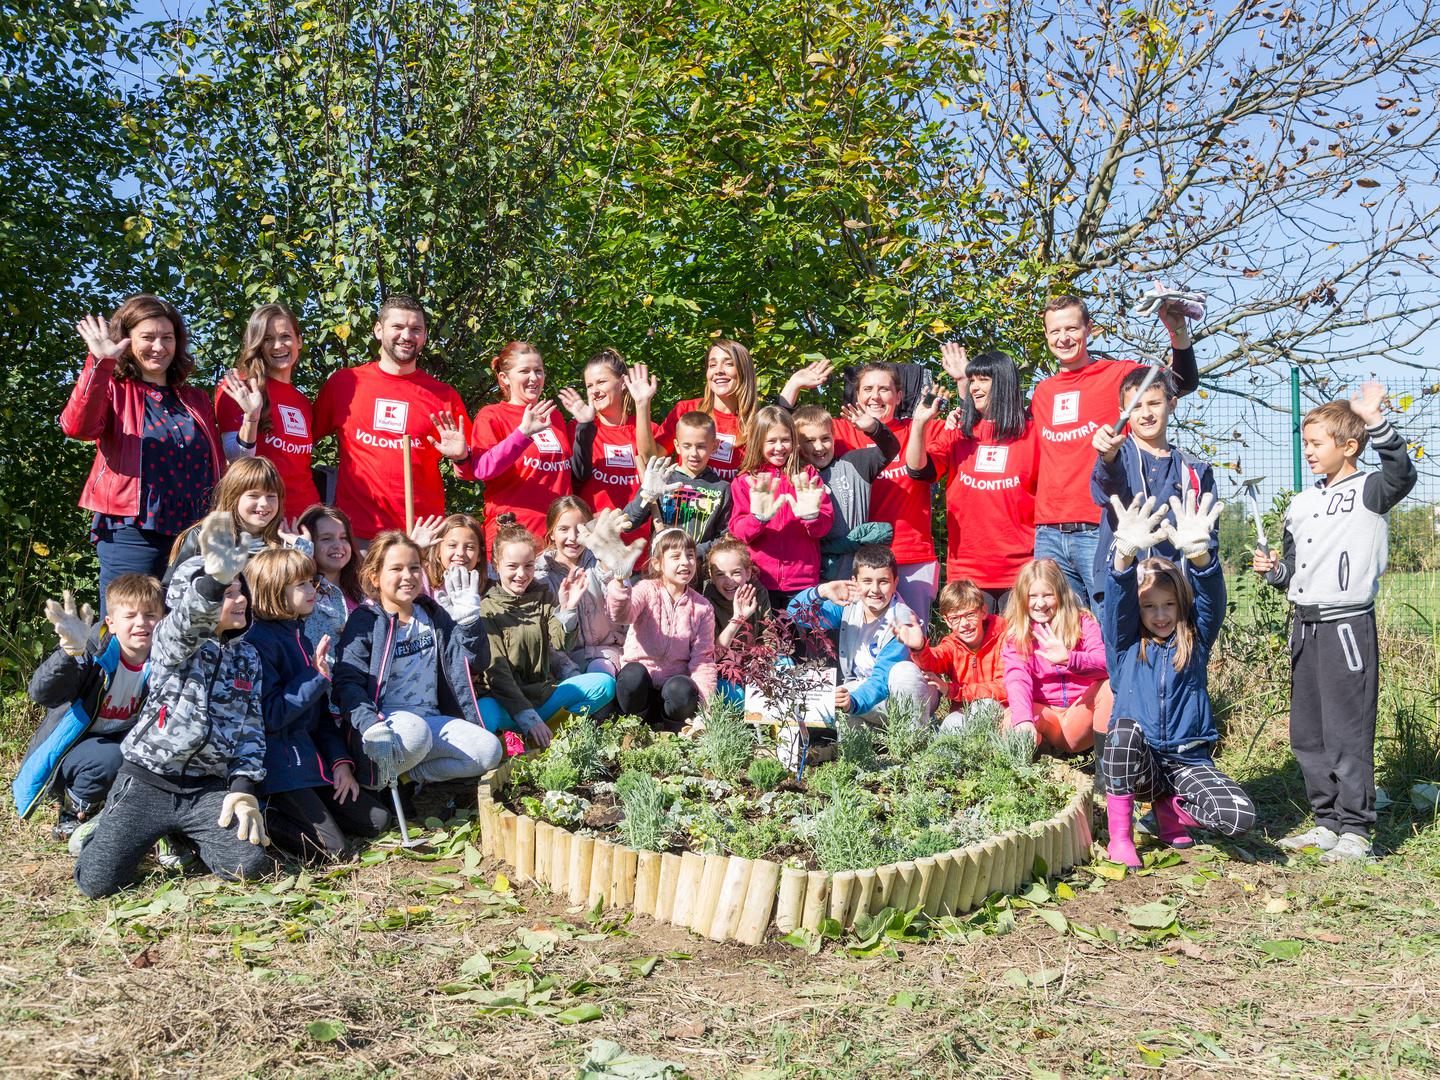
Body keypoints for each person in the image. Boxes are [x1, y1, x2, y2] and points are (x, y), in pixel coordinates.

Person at [1255, 382, 1417, 861]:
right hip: (1303, 629)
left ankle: (1356, 832)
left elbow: (1403, 473)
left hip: (1347, 627)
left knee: (1348, 733)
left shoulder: (1370, 487)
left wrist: (1374, 420)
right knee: (1310, 733)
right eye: (1304, 443)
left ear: (1348, 446)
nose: (1308, 451)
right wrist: (1274, 572)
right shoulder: (1301, 504)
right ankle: (1325, 823)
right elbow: (1290, 569)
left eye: (1316, 443)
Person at [74, 513, 273, 898]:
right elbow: (184, 625)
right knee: (96, 883)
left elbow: (252, 727)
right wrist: (211, 584)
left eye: (239, 589)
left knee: (251, 868)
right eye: (228, 592)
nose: (240, 599)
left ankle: (180, 838)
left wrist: (243, 788)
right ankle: (104, 826)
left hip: (206, 789)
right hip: (148, 780)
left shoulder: (248, 656)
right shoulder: (169, 643)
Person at [1102, 491, 1253, 871]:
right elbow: (1118, 602)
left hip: (1188, 761)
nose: (1160, 615)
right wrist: (1123, 558)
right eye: (1149, 606)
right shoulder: (1125, 643)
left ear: (1180, 604)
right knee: (1121, 732)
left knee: (1238, 818)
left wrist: (1201, 558)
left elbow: (1211, 602)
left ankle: (1170, 812)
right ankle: (1120, 837)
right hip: (1143, 764)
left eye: (1168, 605)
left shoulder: (1195, 639)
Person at [1029, 292, 1198, 604]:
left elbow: (1182, 383)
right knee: (1057, 638)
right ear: (1046, 335)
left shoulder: (1117, 374)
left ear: (1089, 329)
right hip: (1048, 534)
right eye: (1055, 331)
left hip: (1100, 527)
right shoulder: (1042, 392)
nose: (1063, 338)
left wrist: (1177, 331)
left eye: (1072, 329)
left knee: (1110, 628)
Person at [63, 297, 228, 609]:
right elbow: (77, 427)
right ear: (127, 340)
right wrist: (99, 364)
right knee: (130, 627)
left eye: (167, 338)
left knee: (185, 629)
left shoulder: (195, 399)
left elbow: (216, 463)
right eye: (148, 337)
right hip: (132, 530)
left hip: (192, 533)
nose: (159, 347)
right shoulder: (114, 387)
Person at [244, 548, 391, 859]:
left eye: (311, 583)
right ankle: (265, 816)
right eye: (301, 585)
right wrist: (315, 678)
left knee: (378, 821)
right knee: (332, 850)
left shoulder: (302, 638)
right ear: (273, 590)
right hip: (282, 769)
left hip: (313, 763)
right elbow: (270, 715)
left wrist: (340, 763)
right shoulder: (257, 643)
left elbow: (321, 715)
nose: (312, 590)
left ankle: (317, 811)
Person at [334, 532, 503, 787]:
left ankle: (408, 780)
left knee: (489, 750)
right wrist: (369, 724)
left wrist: (470, 625)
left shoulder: (433, 614)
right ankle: (376, 781)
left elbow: (477, 663)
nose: (408, 576)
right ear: (375, 577)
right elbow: (347, 683)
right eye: (396, 569)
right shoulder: (365, 621)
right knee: (415, 732)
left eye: (414, 568)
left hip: (431, 721)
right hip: (385, 727)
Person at [312, 295, 476, 542]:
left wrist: (462, 458)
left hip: (420, 536)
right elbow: (300, 444)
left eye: (415, 329)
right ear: (379, 330)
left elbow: (471, 470)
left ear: (425, 336)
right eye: (398, 327)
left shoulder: (443, 396)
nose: (407, 336)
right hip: (356, 535)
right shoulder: (345, 384)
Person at [13, 576, 163, 843]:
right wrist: (69, 654)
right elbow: (41, 693)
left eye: (150, 615)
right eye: (130, 616)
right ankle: (74, 812)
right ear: (111, 623)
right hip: (74, 754)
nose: (141, 622)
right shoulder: (91, 651)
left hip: (122, 744)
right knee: (109, 758)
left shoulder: (164, 662)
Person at [907, 347, 1036, 613]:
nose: (975, 387)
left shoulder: (1032, 433)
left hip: (1023, 571)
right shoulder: (959, 432)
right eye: (972, 380)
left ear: (1003, 383)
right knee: (972, 653)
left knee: (1020, 653)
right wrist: (918, 424)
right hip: (968, 572)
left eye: (983, 380)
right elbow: (919, 470)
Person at [825, 361, 949, 623]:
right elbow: (789, 435)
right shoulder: (840, 431)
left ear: (899, 395)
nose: (875, 396)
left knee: (912, 641)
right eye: (867, 389)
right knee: (857, 643)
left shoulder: (925, 427)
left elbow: (969, 431)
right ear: (857, 395)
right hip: (858, 560)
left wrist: (960, 384)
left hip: (911, 556)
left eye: (884, 389)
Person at [477, 514, 617, 745]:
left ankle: (542, 735)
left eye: (528, 565)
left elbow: (562, 643)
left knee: (604, 685)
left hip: (542, 696)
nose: (521, 574)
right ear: (496, 565)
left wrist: (568, 609)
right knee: (484, 714)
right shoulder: (487, 609)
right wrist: (528, 717)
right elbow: (497, 673)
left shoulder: (542, 595)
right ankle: (531, 732)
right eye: (512, 566)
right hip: (505, 702)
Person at [1089, 366, 1215, 606]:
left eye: (1154, 403)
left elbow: (1210, 538)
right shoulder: (1116, 457)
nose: (1145, 413)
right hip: (1121, 590)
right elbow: (1102, 494)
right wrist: (1107, 459)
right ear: (1123, 413)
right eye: (1135, 407)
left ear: (1172, 404)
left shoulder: (1195, 470)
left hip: (1176, 595)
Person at [785, 544, 938, 724]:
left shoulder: (903, 621)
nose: (875, 589)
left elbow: (882, 679)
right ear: (854, 582)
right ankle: (863, 746)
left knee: (903, 672)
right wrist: (821, 591)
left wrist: (854, 702)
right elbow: (795, 614)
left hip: (904, 695)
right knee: (842, 694)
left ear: (895, 582)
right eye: (867, 581)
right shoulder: (848, 607)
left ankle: (914, 740)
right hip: (870, 693)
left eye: (883, 581)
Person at [603, 522, 717, 731]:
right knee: (631, 676)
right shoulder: (646, 590)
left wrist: (705, 709)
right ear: (657, 563)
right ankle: (632, 727)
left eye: (690, 555)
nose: (685, 562)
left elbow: (703, 660)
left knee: (681, 689)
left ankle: (673, 730)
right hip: (641, 690)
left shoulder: (702, 607)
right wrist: (619, 583)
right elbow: (621, 615)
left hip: (672, 693)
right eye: (676, 557)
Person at [214, 302, 322, 517]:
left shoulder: (302, 401)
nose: (278, 346)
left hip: (306, 517)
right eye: (267, 339)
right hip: (261, 517)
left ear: (299, 341)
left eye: (285, 337)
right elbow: (237, 460)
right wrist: (251, 417)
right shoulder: (240, 388)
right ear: (258, 345)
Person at [1000, 557, 1112, 756]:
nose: (1040, 603)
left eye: (1048, 595)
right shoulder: (1016, 635)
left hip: (1080, 715)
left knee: (1109, 687)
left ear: (1060, 595)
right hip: (1046, 715)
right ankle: (1031, 768)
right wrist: (1024, 719)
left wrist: (1070, 660)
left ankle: (1106, 773)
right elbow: (1017, 679)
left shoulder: (1083, 623)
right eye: (1032, 596)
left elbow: (1107, 665)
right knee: (1012, 720)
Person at [470, 341, 575, 548]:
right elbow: (481, 469)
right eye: (525, 371)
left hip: (557, 541)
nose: (534, 378)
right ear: (504, 379)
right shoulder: (492, 415)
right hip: (512, 540)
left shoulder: (553, 416)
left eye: (539, 371)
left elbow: (567, 475)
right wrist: (522, 434)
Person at [729, 406, 834, 609]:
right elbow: (739, 532)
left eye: (785, 440)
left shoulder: (807, 476)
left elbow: (824, 525)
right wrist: (757, 519)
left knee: (803, 639)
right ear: (758, 442)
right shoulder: (747, 481)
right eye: (771, 441)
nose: (779, 447)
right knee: (764, 640)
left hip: (802, 580)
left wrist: (812, 517)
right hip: (760, 580)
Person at [791, 403, 899, 581]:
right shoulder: (792, 476)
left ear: (834, 437)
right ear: (797, 444)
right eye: (809, 441)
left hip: (855, 578)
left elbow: (890, 449)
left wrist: (873, 428)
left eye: (825, 438)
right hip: (809, 578)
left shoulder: (854, 464)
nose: (819, 447)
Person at [563, 348, 658, 540]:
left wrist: (642, 404)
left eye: (601, 382)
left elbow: (652, 468)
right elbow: (575, 478)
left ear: (623, 383)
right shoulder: (577, 428)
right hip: (591, 544)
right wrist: (585, 426)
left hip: (636, 544)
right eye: (589, 385)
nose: (594, 391)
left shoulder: (648, 428)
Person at [165, 456, 306, 580]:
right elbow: (172, 592)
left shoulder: (283, 542)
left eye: (271, 496)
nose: (264, 504)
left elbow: (301, 592)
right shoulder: (204, 538)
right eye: (254, 495)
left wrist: (301, 551)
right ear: (233, 497)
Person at [637, 340, 758, 482]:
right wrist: (642, 404)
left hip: (732, 504)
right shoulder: (686, 410)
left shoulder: (757, 423)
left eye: (728, 363)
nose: (718, 371)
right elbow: (651, 459)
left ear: (744, 370)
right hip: (684, 502)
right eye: (712, 365)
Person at [536, 497, 626, 677]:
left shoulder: (599, 562)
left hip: (609, 653)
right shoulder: (541, 577)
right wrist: (570, 672)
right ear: (551, 533)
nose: (573, 537)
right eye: (563, 529)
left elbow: (623, 608)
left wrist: (610, 564)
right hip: (564, 662)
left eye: (579, 529)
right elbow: (547, 639)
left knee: (602, 674)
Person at [621, 415, 732, 559]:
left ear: (715, 446)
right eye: (687, 446)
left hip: (701, 575)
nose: (694, 453)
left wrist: (691, 553)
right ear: (677, 446)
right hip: (663, 572)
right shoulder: (662, 481)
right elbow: (627, 524)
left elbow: (725, 537)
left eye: (701, 446)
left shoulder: (721, 489)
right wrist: (646, 494)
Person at [910, 578, 1009, 728]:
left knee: (985, 706)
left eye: (970, 614)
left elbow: (1004, 687)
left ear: (983, 611)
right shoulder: (952, 644)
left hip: (1001, 710)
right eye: (955, 618)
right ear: (947, 621)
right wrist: (919, 647)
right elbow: (933, 660)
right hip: (962, 711)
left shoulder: (1003, 637)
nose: (964, 624)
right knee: (952, 724)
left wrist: (953, 690)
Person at [703, 537, 773, 704]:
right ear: (711, 576)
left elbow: (769, 636)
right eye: (720, 574)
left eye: (735, 572)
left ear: (748, 573)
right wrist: (738, 618)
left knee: (785, 664)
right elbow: (710, 655)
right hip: (722, 670)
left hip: (753, 664)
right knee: (738, 698)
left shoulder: (758, 593)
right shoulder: (705, 601)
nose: (729, 581)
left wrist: (761, 664)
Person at [296, 504, 365, 653]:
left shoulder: (363, 588)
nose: (338, 545)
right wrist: (302, 551)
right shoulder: (301, 591)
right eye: (326, 539)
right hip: (319, 674)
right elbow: (288, 582)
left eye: (344, 538)